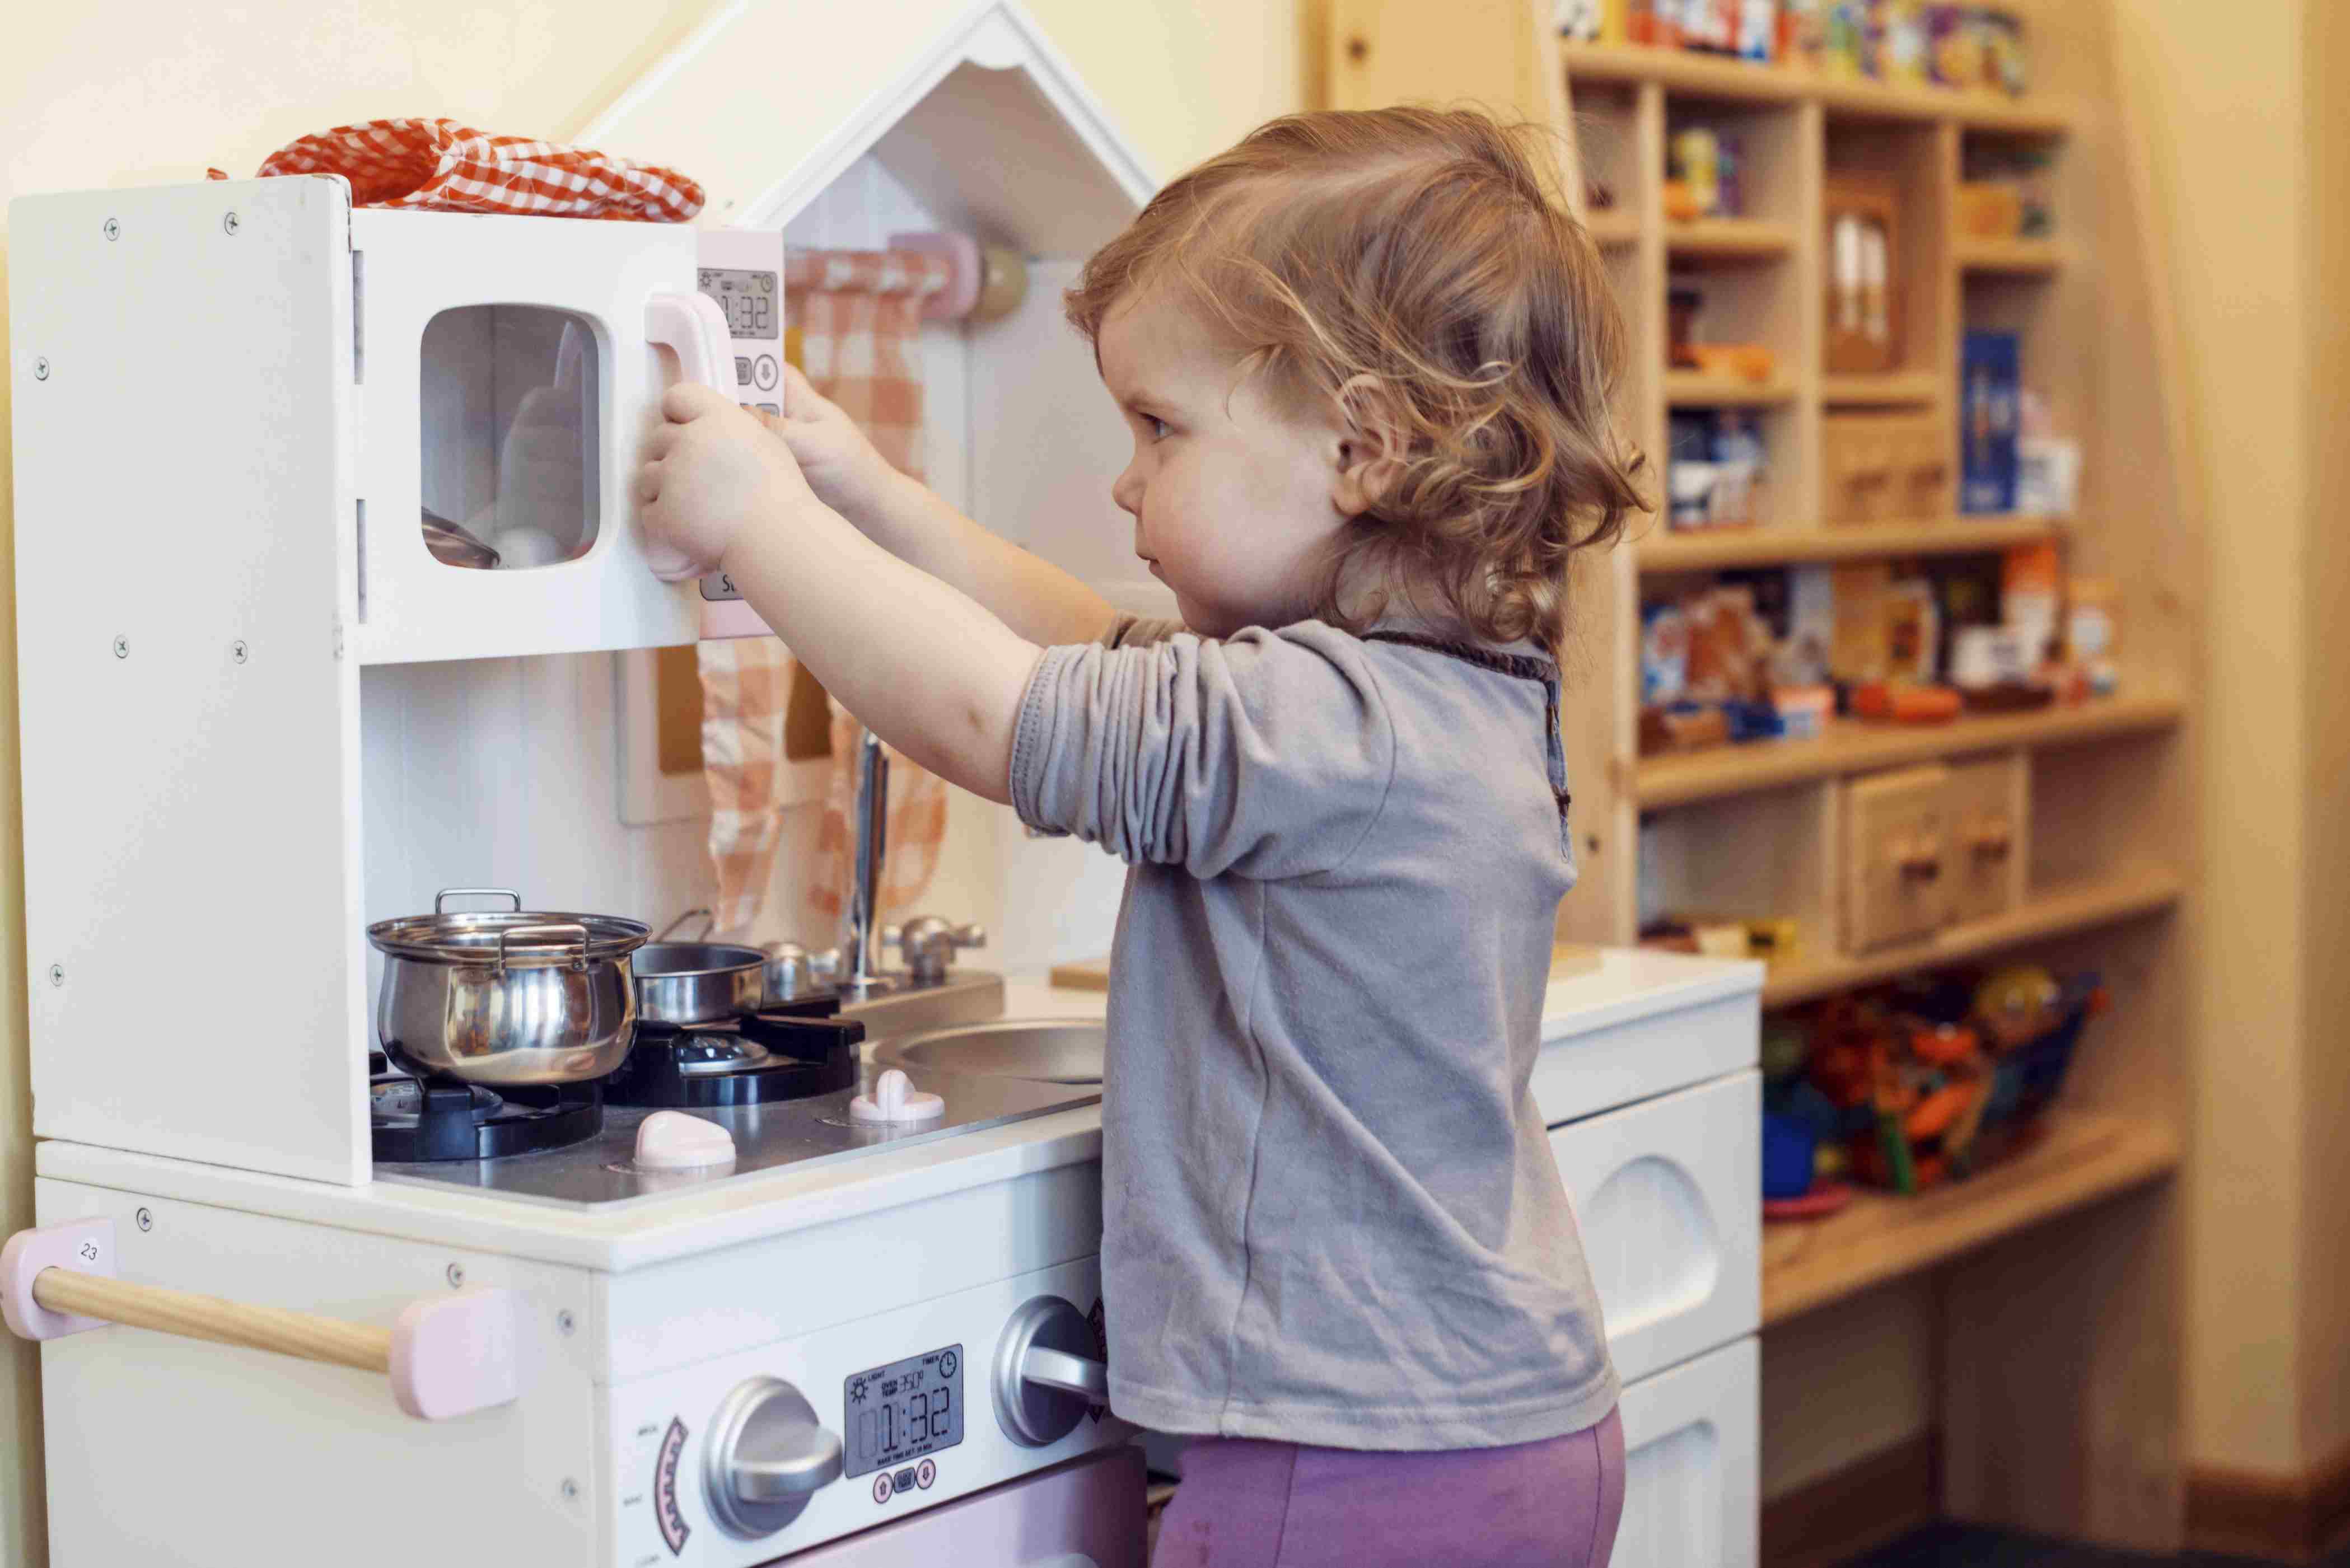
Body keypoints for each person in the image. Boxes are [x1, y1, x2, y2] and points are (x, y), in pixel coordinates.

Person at [637, 105, 1647, 1568]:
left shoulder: (1319, 730)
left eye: (1159, 428)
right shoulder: (1444, 699)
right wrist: (867, 490)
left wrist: (757, 522)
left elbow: (997, 713)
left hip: (1354, 1454)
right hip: (1513, 1425)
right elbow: (1085, 650)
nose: (1126, 479)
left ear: (1359, 446)